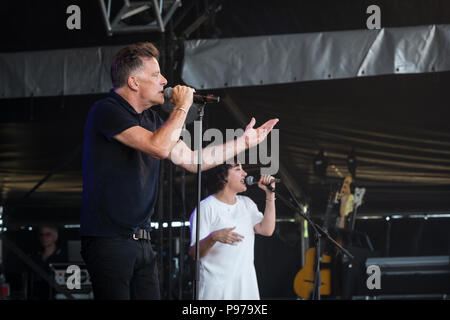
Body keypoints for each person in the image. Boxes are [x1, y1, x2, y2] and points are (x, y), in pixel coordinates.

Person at [79, 42, 279, 300]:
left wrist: (244, 142)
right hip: (107, 239)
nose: (164, 80)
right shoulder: (107, 110)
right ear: (133, 82)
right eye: (155, 75)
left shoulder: (152, 120)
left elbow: (193, 160)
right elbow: (158, 147)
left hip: (141, 239)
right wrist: (182, 107)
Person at [189, 162, 276, 300]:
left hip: (246, 288)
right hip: (216, 290)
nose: (245, 173)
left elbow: (267, 230)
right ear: (223, 177)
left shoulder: (246, 203)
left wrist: (270, 195)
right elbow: (194, 253)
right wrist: (213, 237)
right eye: (238, 169)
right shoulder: (206, 208)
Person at [28, 225, 67, 300]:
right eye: (41, 235)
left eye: (48, 234)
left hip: (58, 296)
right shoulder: (34, 257)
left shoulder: (63, 257)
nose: (44, 237)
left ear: (55, 237)